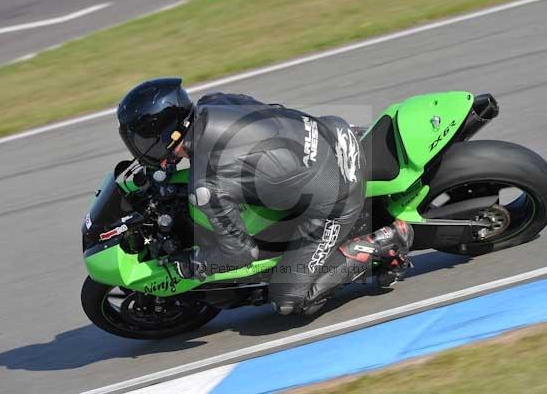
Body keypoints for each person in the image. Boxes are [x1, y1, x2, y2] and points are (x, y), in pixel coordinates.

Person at [117, 78, 414, 315]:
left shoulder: (207, 184)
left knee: (290, 301)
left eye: (143, 140)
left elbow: (241, 253)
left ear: (168, 132)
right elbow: (271, 109)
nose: (141, 147)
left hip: (337, 196)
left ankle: (382, 241)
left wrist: (191, 266)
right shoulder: (212, 102)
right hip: (333, 132)